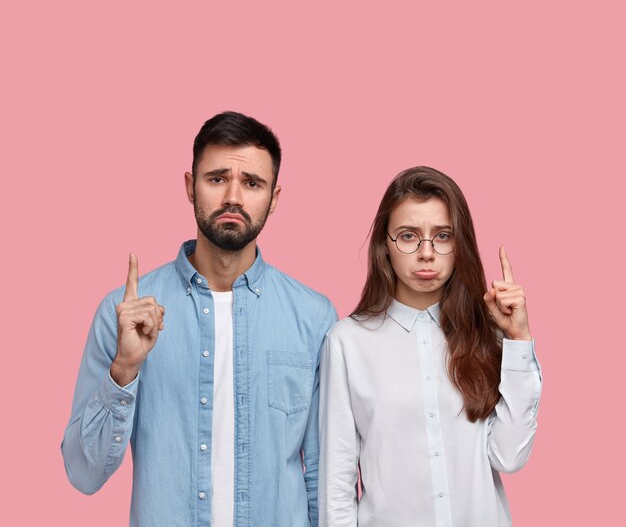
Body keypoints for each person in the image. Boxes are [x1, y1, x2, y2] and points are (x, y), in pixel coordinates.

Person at [62, 111, 337, 527]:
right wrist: (124, 370)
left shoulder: (314, 318)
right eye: (216, 178)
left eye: (252, 183)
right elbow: (83, 474)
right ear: (190, 187)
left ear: (274, 198)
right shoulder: (124, 315)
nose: (233, 197)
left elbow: (323, 475)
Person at [319, 166, 542, 527]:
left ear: (460, 245)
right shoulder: (347, 343)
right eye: (408, 236)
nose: (426, 253)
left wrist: (519, 340)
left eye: (442, 236)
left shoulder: (487, 335)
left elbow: (510, 457)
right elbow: (337, 483)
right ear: (384, 246)